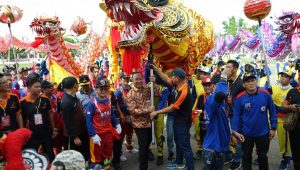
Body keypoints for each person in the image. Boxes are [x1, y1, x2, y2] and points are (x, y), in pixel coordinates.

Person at [150, 67, 194, 170]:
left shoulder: (184, 92)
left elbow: (172, 108)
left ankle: (191, 167)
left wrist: (156, 112)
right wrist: (155, 68)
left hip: (183, 122)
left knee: (185, 145)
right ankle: (179, 162)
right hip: (178, 119)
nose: (171, 78)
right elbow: (165, 78)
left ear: (177, 78)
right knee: (178, 141)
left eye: (172, 76)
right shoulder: (178, 84)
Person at [232, 73, 277, 170]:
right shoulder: (240, 97)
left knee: (263, 157)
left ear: (256, 81)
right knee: (246, 157)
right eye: (248, 81)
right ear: (244, 85)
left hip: (263, 133)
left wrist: (273, 128)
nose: (251, 83)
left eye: (252, 80)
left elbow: (272, 111)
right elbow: (236, 116)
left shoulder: (266, 94)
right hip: (246, 134)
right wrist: (235, 132)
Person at [202, 68, 244, 170]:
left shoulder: (222, 104)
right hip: (212, 149)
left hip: (220, 148)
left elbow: (223, 122)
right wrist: (224, 77)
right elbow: (220, 94)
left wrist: (233, 132)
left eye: (228, 87)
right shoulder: (211, 100)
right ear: (213, 86)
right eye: (225, 86)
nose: (227, 89)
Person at [125, 71, 159, 170]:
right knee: (143, 148)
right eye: (136, 79)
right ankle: (143, 167)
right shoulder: (130, 94)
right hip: (139, 125)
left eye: (140, 78)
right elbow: (132, 111)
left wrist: (154, 83)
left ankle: (145, 159)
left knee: (147, 144)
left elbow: (157, 93)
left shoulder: (146, 89)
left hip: (149, 122)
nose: (139, 81)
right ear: (132, 80)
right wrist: (147, 110)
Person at [86, 78, 121, 169]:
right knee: (96, 158)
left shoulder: (108, 101)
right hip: (98, 135)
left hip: (108, 134)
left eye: (106, 88)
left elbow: (112, 114)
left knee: (108, 154)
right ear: (96, 89)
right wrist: (93, 135)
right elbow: (88, 121)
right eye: (101, 88)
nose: (104, 91)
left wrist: (117, 124)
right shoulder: (92, 103)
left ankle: (107, 167)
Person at [20, 73, 56, 162]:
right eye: (36, 87)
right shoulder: (22, 102)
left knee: (50, 155)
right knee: (32, 157)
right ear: (29, 88)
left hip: (45, 132)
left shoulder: (45, 99)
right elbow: (21, 119)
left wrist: (54, 128)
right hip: (32, 135)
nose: (39, 89)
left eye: (40, 86)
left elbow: (50, 114)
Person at [268, 70, 293, 169]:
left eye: (286, 76)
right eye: (282, 75)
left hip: (288, 120)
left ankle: (285, 159)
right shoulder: (273, 87)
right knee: (280, 141)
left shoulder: (293, 90)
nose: (283, 77)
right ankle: (261, 155)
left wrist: (282, 108)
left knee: (287, 141)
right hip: (275, 119)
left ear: (290, 79)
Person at [60, 76, 89, 160]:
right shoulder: (66, 102)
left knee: (83, 155)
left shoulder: (73, 97)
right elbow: (67, 122)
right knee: (74, 158)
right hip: (73, 136)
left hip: (81, 131)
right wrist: (75, 137)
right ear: (75, 85)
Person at [114, 73, 138, 166]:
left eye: (128, 78)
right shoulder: (118, 91)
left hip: (130, 114)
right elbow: (116, 104)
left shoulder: (131, 89)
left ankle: (129, 147)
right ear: (121, 80)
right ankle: (119, 153)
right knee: (122, 134)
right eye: (125, 79)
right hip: (123, 115)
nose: (126, 80)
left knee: (130, 132)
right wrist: (121, 113)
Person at [226, 60, 245, 170]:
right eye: (226, 66)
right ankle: (229, 156)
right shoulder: (226, 81)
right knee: (226, 137)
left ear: (235, 69)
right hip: (225, 114)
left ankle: (237, 160)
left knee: (237, 138)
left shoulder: (240, 83)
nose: (226, 69)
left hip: (236, 115)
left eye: (229, 67)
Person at [41, 80, 64, 154]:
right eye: (50, 87)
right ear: (43, 89)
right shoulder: (40, 100)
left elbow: (58, 111)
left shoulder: (55, 97)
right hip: (47, 126)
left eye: (52, 86)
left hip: (57, 124)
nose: (52, 88)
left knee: (58, 144)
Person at [282, 85, 300, 169]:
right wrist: (290, 107)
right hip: (295, 128)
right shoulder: (293, 91)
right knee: (296, 153)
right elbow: (284, 106)